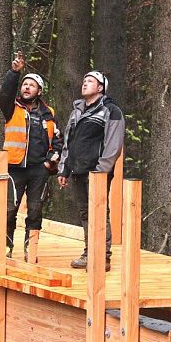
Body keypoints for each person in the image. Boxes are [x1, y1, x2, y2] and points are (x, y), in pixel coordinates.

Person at [57, 71, 125, 270]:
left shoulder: (111, 111)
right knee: (85, 213)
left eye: (90, 81)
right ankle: (89, 253)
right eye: (84, 80)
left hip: (97, 172)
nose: (85, 83)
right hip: (77, 170)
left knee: (100, 212)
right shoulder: (77, 111)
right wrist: (64, 169)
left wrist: (101, 170)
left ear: (101, 87)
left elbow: (113, 145)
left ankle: (102, 257)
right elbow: (69, 142)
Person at [0, 52, 62, 260]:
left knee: (35, 210)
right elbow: (4, 94)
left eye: (31, 85)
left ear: (39, 91)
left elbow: (58, 139)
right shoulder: (11, 107)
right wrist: (14, 73)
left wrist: (50, 160)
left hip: (38, 170)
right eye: (24, 84)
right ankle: (6, 247)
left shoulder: (48, 112)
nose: (26, 87)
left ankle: (30, 249)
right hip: (14, 167)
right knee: (9, 209)